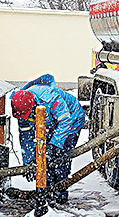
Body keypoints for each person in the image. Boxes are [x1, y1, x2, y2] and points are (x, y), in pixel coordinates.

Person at [10, 74, 85, 205]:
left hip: (72, 119)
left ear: (33, 105)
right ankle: (47, 191)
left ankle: (60, 192)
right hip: (51, 124)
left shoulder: (49, 97)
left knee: (60, 157)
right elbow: (26, 137)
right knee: (45, 158)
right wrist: (29, 161)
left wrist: (56, 145)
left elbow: (65, 121)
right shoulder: (22, 108)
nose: (26, 120)